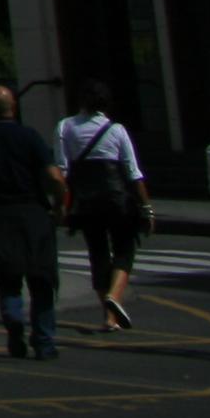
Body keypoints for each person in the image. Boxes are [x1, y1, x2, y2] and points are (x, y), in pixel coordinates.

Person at [0, 82, 67, 358]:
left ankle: (14, 318)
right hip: (33, 213)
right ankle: (44, 341)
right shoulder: (29, 136)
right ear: (13, 107)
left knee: (7, 277)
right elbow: (54, 177)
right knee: (41, 280)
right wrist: (60, 205)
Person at [56, 82, 149, 331]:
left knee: (97, 253)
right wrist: (147, 207)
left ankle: (109, 317)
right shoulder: (116, 129)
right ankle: (114, 297)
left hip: (86, 202)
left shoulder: (66, 126)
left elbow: (62, 170)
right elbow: (133, 172)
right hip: (117, 199)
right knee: (124, 250)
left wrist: (62, 206)